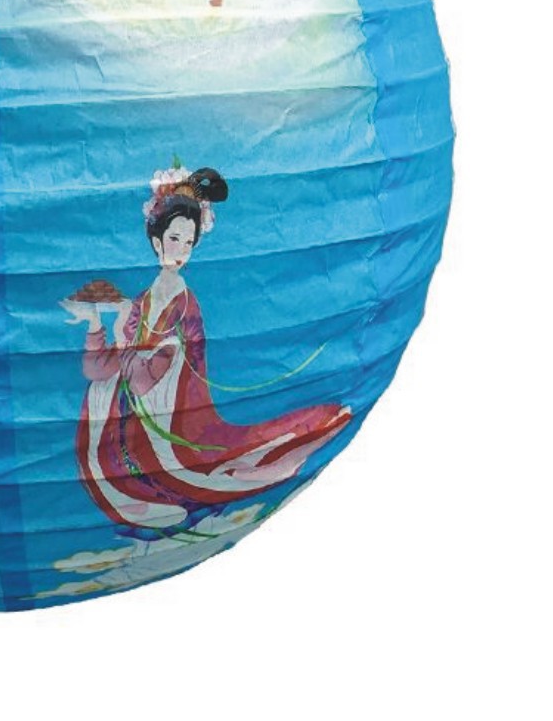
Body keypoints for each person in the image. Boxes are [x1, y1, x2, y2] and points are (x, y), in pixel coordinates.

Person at [70, 164, 351, 535]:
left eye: (188, 242)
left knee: (204, 471)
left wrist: (125, 340)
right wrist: (95, 324)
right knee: (101, 397)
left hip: (168, 422)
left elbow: (150, 377)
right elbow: (102, 368)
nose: (181, 250)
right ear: (156, 241)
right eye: (175, 238)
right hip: (134, 419)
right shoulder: (141, 302)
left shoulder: (185, 306)